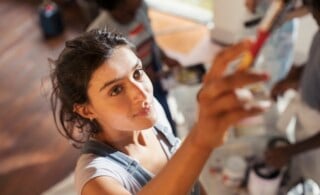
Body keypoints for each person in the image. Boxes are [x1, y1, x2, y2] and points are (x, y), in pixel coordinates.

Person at [49, 28, 269, 195]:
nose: (141, 93)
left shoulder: (151, 112)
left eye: (137, 73)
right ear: (86, 110)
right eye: (116, 89)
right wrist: (200, 140)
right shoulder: (97, 180)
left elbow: (189, 180)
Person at [86, 0, 181, 136]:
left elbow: (150, 37)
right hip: (137, 80)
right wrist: (141, 76)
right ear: (120, 4)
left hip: (152, 68)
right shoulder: (98, 33)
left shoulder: (141, 8)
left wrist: (164, 56)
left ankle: (171, 135)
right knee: (148, 119)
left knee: (162, 107)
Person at [265, 0, 320, 187]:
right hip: (306, 117)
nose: (312, 16)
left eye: (314, 11)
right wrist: (296, 78)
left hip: (316, 140)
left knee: (312, 179)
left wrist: (289, 151)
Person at [244, 0, 298, 89]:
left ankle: (267, 93)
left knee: (274, 75)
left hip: (286, 17)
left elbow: (310, 7)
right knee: (240, 57)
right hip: (257, 9)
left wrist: (286, 16)